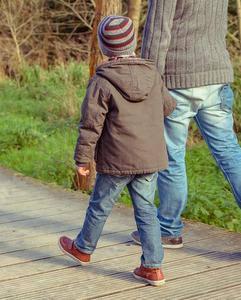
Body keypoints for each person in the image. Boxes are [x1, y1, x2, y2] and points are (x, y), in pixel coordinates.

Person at [134, 0, 241, 260]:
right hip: (216, 77)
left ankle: (168, 229)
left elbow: (157, 33)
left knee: (172, 157)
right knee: (230, 153)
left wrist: (148, 82)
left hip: (179, 80)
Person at [58, 15, 176, 287]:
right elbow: (169, 107)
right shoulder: (152, 73)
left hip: (117, 160)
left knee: (100, 206)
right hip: (149, 159)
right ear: (133, 42)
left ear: (104, 47)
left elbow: (90, 125)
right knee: (147, 211)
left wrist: (82, 158)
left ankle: (83, 248)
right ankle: (153, 268)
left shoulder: (102, 81)